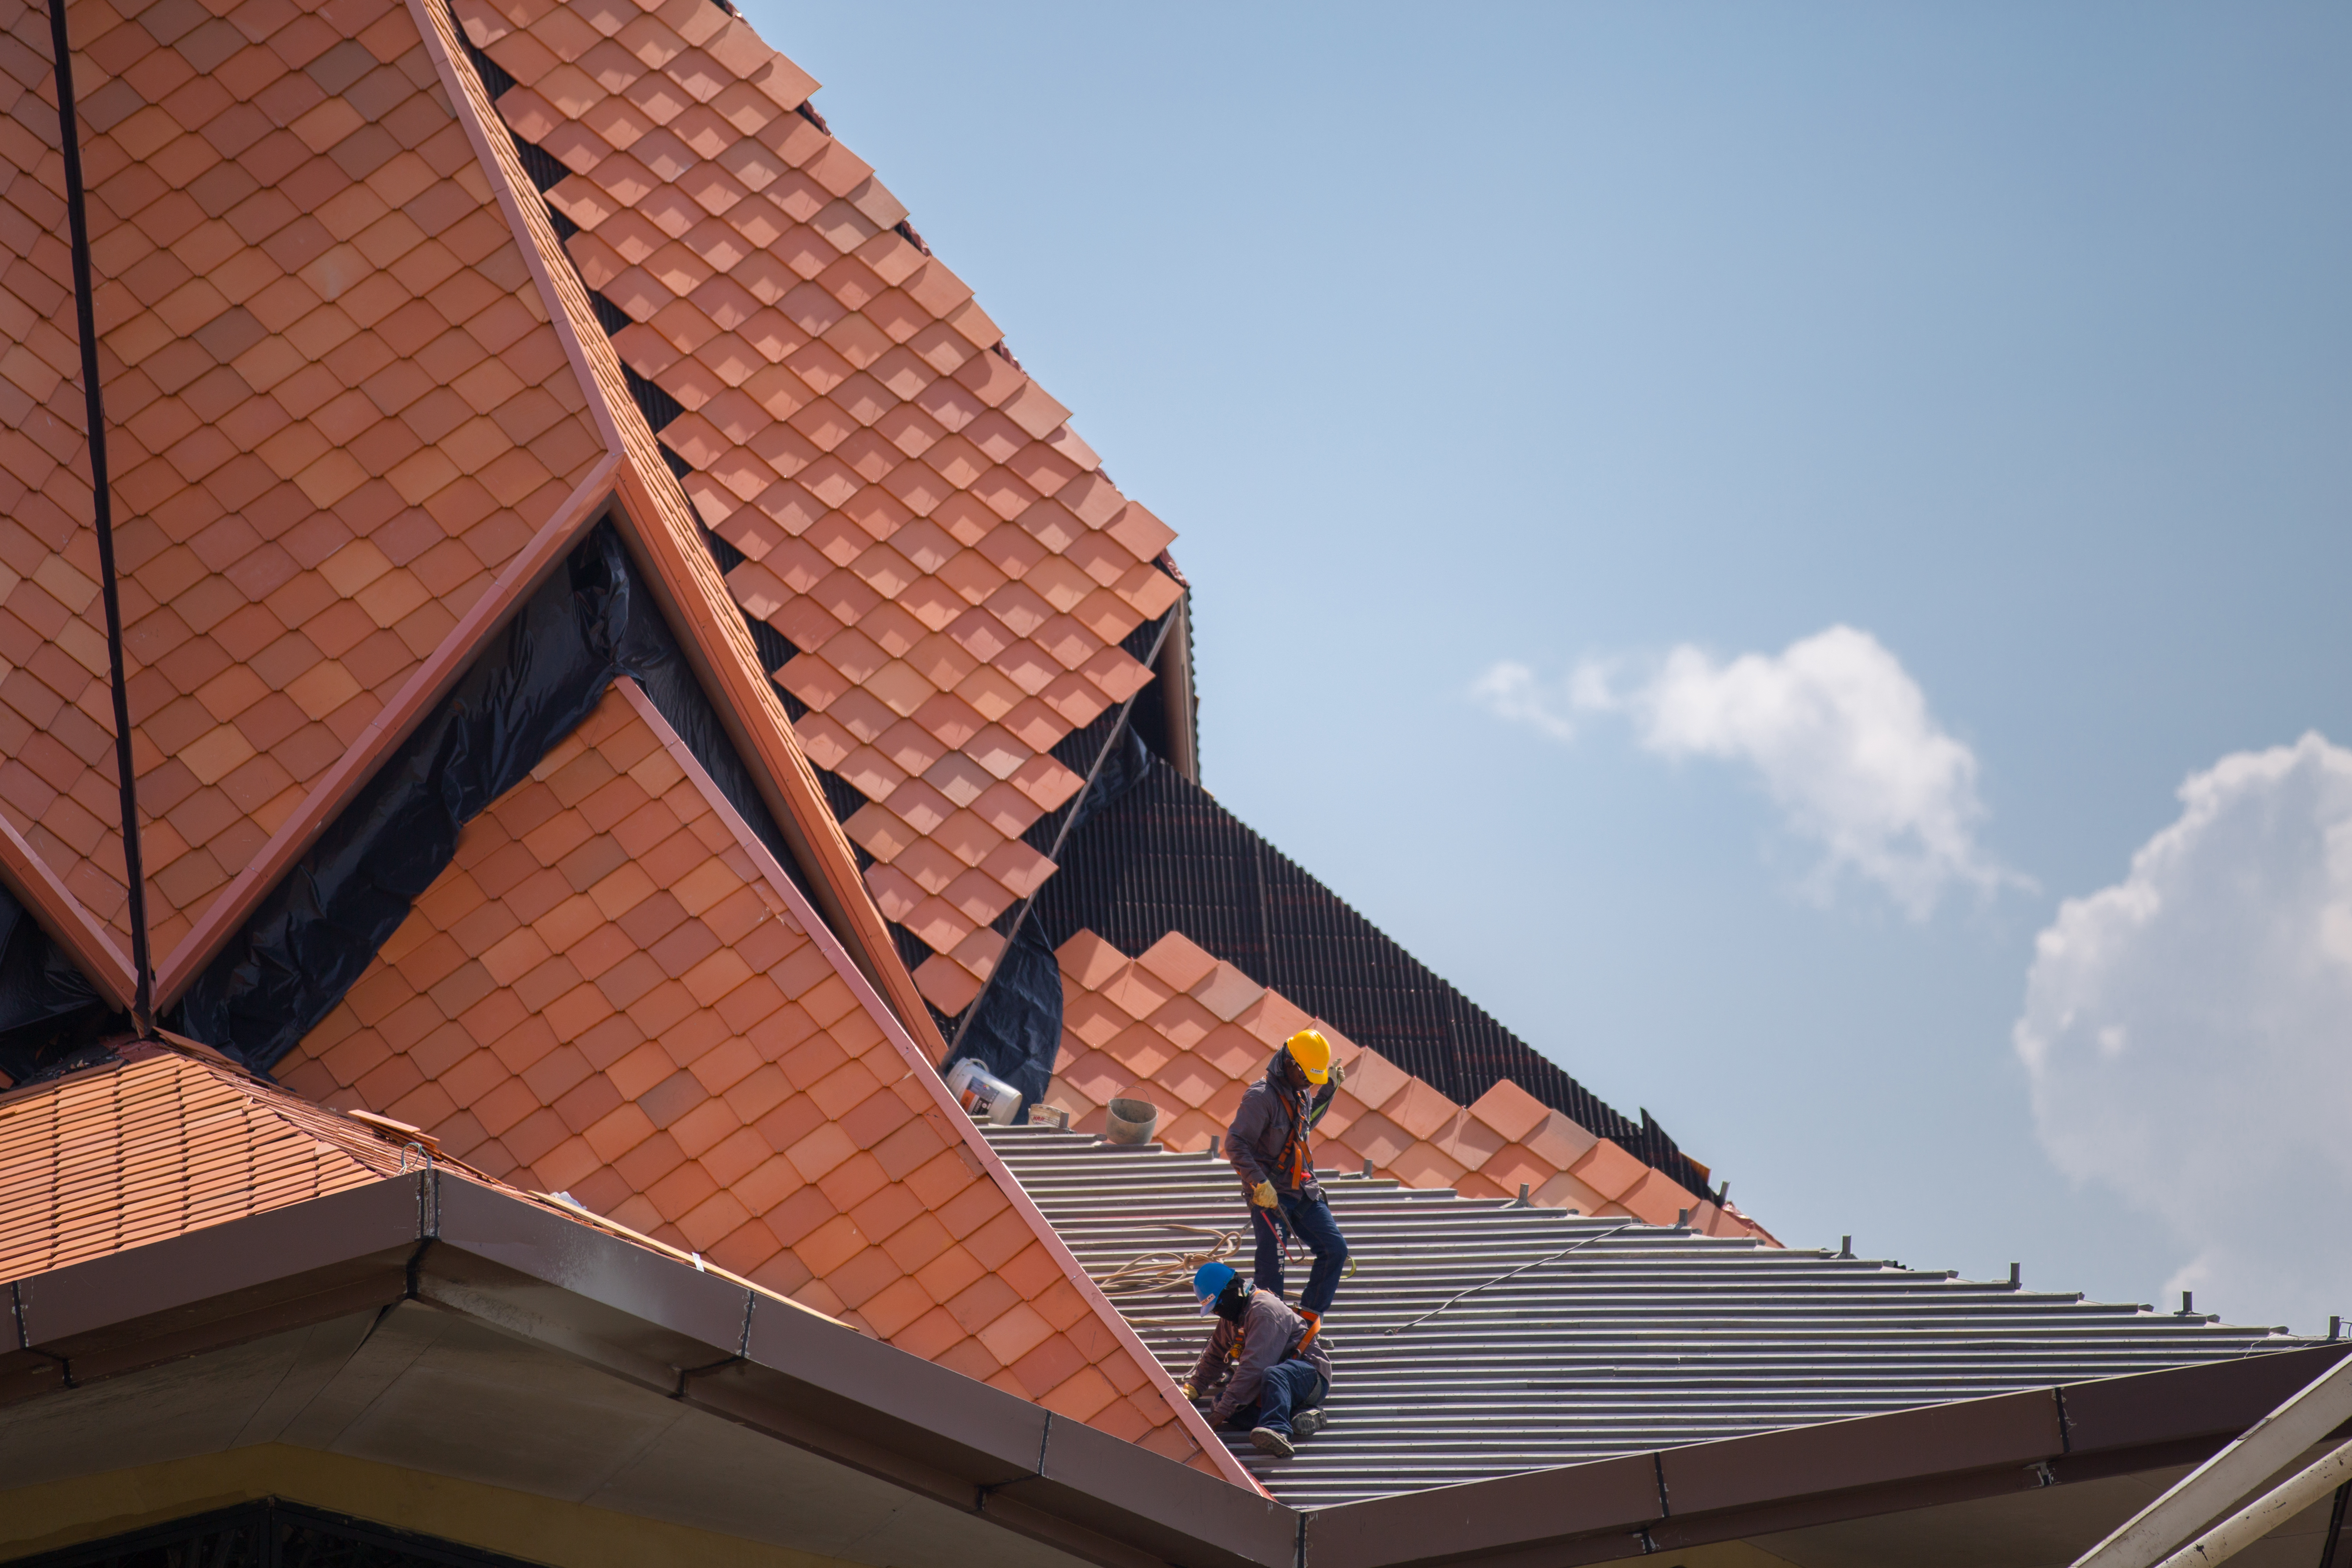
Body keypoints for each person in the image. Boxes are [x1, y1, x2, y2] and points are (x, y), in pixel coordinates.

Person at [1225, 1026, 1348, 1345]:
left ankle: (1305, 1325)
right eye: (1307, 1076)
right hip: (1270, 1196)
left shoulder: (1301, 1093)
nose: (1310, 1083)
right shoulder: (1260, 1097)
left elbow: (1304, 1126)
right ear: (1290, 1064)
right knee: (1272, 1273)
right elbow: (1235, 1143)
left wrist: (1328, 1091)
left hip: (1301, 1190)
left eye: (1314, 1080)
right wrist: (1258, 1183)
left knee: (1334, 1250)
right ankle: (1268, 1336)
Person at [1178, 1262, 1332, 1458]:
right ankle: (1297, 1417)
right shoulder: (1234, 1317)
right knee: (1221, 1403)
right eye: (1214, 1310)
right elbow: (1216, 1354)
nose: (1218, 1313)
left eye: (1219, 1306)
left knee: (1272, 1375)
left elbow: (1254, 1367)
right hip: (1272, 1383)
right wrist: (1196, 1386)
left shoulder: (1264, 1310)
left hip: (1309, 1377)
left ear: (1232, 1291)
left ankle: (1278, 1431)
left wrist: (1218, 1418)